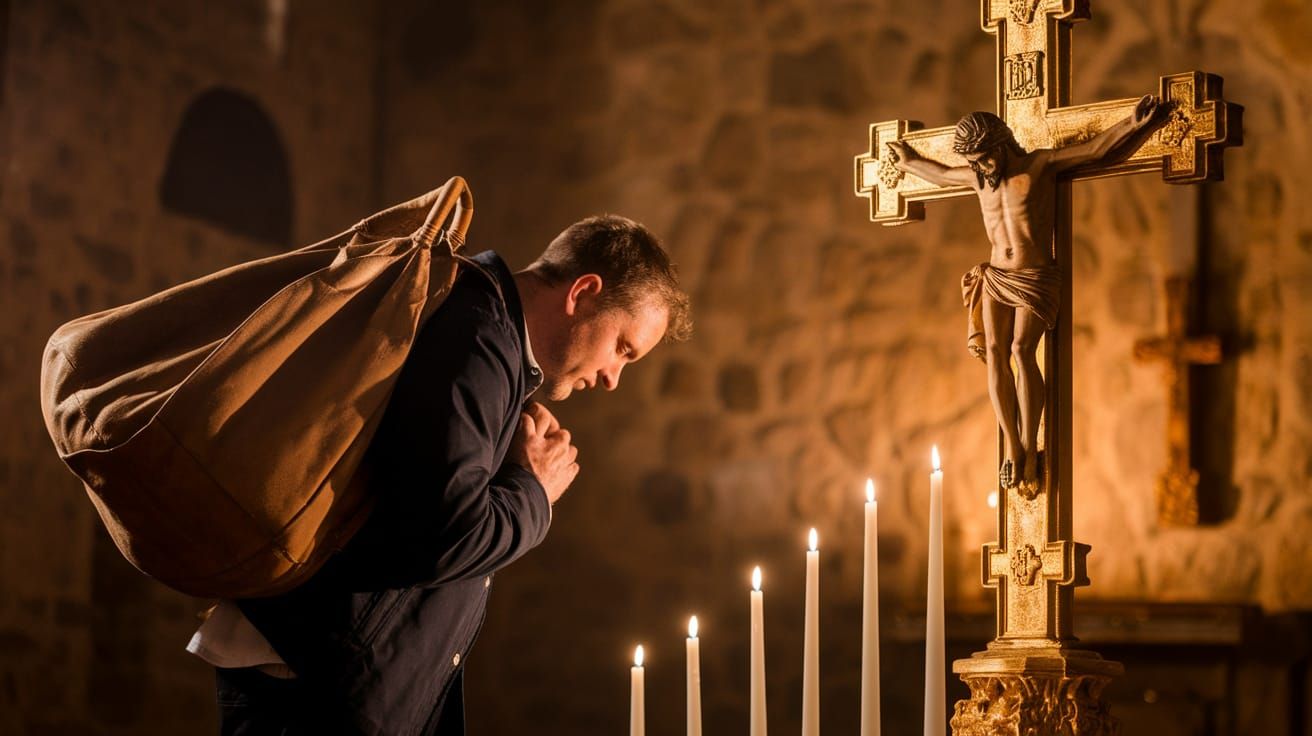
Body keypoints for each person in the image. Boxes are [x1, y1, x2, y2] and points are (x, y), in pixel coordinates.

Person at [187, 214, 691, 734]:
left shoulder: (491, 341)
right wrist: (533, 492)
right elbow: (445, 535)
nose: (613, 378)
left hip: (330, 681)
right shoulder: (473, 332)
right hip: (312, 682)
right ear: (583, 292)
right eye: (623, 349)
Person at [886, 95, 1163, 493]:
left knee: (1020, 349)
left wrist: (1133, 125)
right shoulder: (979, 179)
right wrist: (908, 161)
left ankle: (1031, 445)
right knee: (995, 354)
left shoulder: (1039, 165)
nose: (982, 167)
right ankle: (1013, 447)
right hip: (996, 275)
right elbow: (943, 175)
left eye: (985, 157)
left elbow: (1094, 150)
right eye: (975, 161)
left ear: (1001, 144)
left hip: (1034, 275)